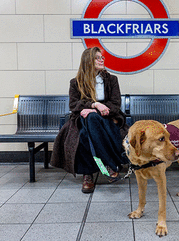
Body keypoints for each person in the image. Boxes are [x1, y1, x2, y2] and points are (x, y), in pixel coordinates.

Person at [50, 47, 129, 193]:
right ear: (88, 61)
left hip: (108, 119)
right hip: (81, 120)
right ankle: (107, 164)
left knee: (86, 132)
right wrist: (94, 104)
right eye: (98, 57)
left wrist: (94, 110)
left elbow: (116, 104)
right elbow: (73, 105)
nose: (102, 59)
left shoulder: (111, 80)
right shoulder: (76, 82)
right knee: (88, 123)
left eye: (102, 57)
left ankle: (88, 175)